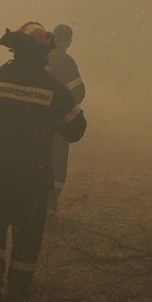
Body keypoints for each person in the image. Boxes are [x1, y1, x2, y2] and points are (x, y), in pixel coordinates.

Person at [0, 21, 87, 302]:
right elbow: (77, 128)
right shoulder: (52, 88)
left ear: (15, 49)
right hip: (33, 175)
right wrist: (53, 124)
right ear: (43, 53)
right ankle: (18, 289)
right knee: (28, 230)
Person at [45, 24, 85, 212]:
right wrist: (62, 110)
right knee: (57, 162)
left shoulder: (36, 56)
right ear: (68, 41)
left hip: (32, 123)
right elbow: (78, 91)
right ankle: (50, 205)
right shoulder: (65, 61)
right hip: (57, 125)